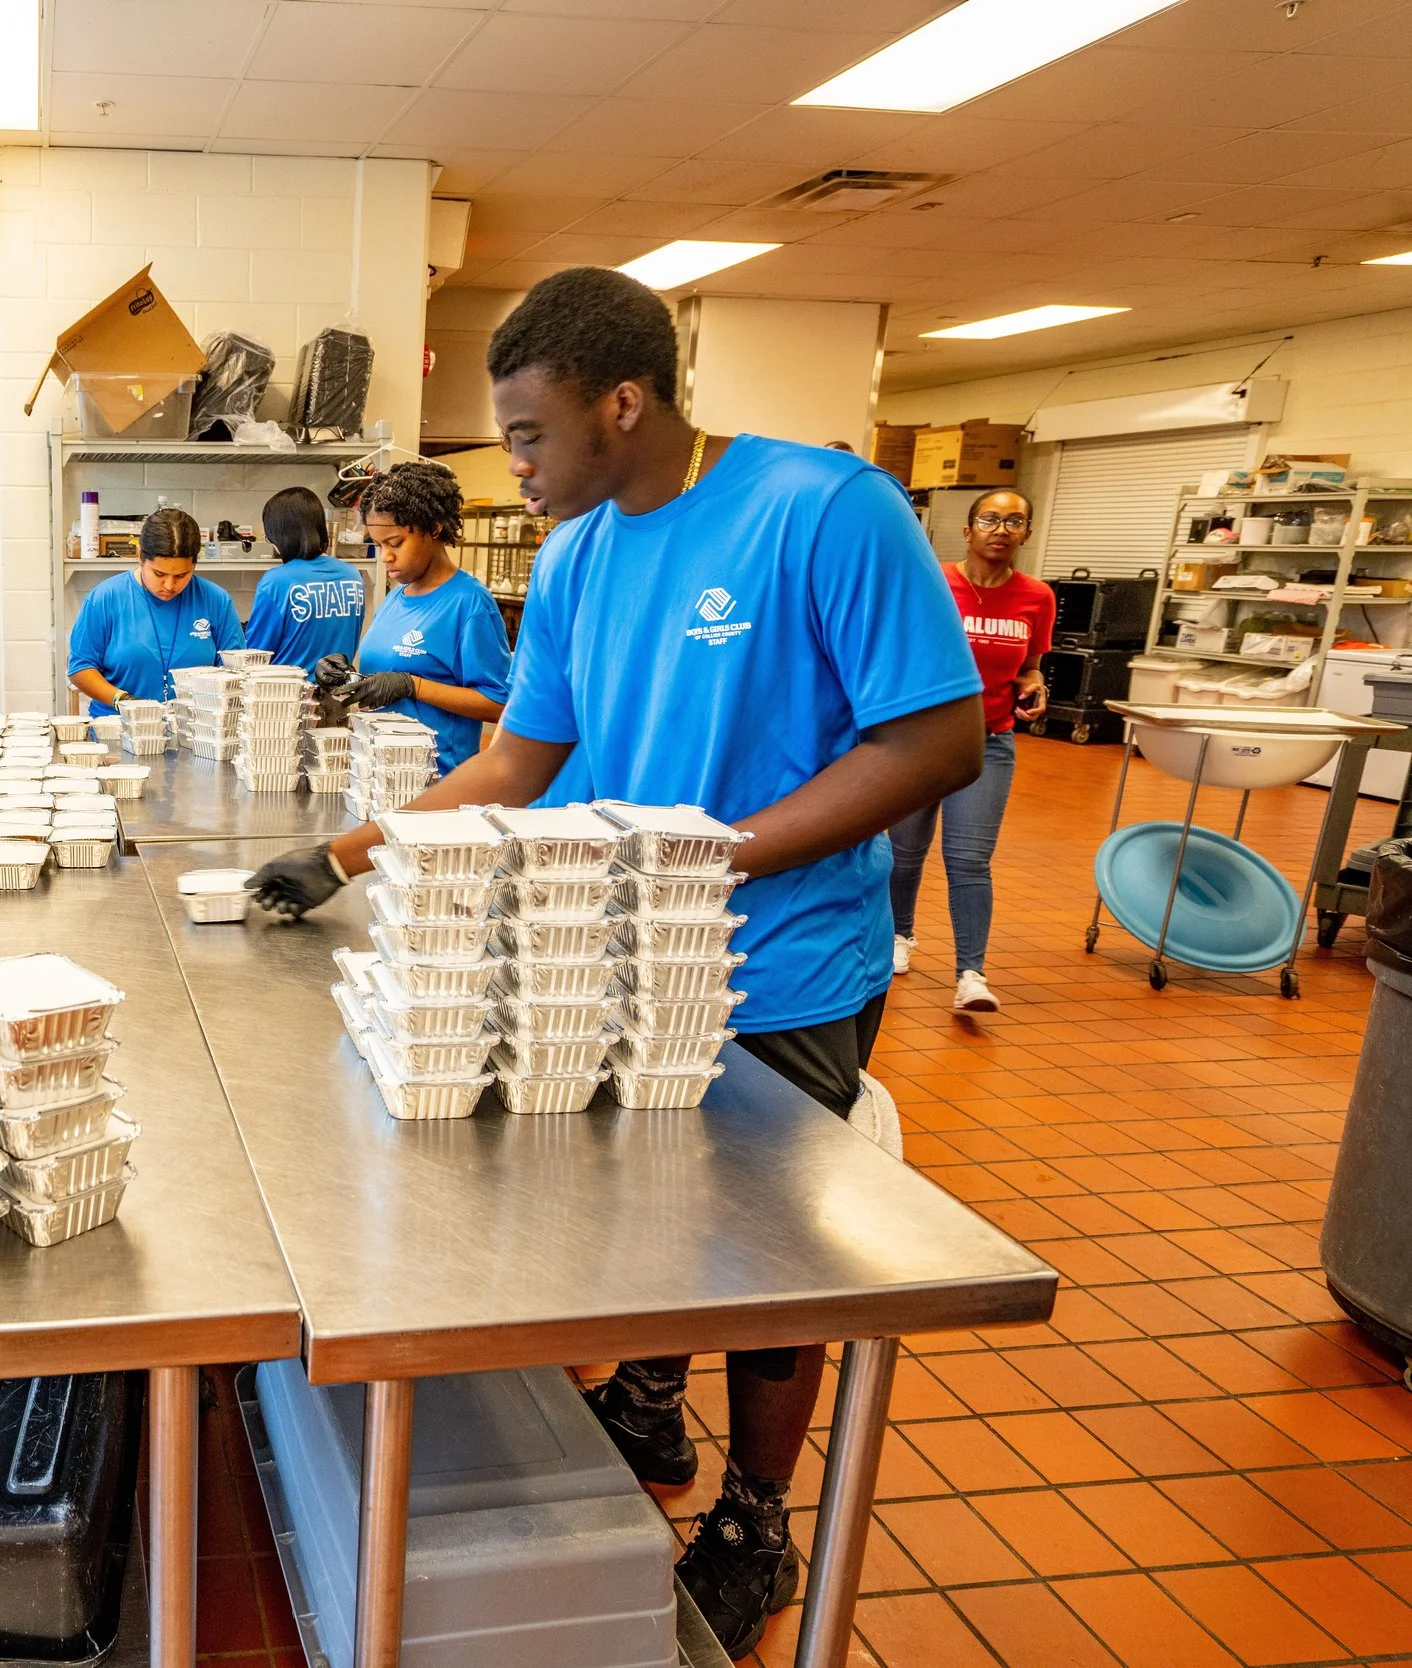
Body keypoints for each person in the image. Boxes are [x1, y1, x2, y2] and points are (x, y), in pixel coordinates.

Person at [242, 267, 983, 1659]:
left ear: (622, 403)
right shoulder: (583, 554)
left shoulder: (822, 512)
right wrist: (345, 853)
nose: (509, 463)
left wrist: (714, 859)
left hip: (783, 963)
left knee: (769, 1269)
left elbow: (931, 743)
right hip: (617, 949)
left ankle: (757, 1516)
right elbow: (525, 759)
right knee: (639, 1198)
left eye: (526, 433)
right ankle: (649, 1395)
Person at [890, 488, 1051, 1013]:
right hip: (920, 741)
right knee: (904, 853)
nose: (1001, 529)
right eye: (990, 519)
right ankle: (898, 936)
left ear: (1026, 532)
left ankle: (971, 974)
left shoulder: (1037, 597)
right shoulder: (933, 580)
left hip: (991, 742)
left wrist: (1034, 686)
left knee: (969, 860)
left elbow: (1030, 665)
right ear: (968, 530)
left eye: (1014, 521)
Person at [314, 459, 511, 774]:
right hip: (381, 777)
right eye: (378, 546)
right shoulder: (395, 598)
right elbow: (385, 679)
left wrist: (413, 686)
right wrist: (345, 677)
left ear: (433, 528)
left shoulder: (469, 604)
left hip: (437, 783)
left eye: (395, 543)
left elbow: (500, 704)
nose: (386, 557)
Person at [67, 507, 245, 713]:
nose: (169, 585)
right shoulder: (105, 599)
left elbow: (235, 670)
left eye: (181, 576)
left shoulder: (215, 600)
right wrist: (123, 700)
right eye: (159, 574)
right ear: (140, 556)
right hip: (118, 726)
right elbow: (81, 668)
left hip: (195, 731)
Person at [243, 485, 364, 670]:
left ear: (281, 537)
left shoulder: (276, 581)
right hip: (339, 692)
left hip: (285, 694)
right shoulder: (353, 576)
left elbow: (257, 654)